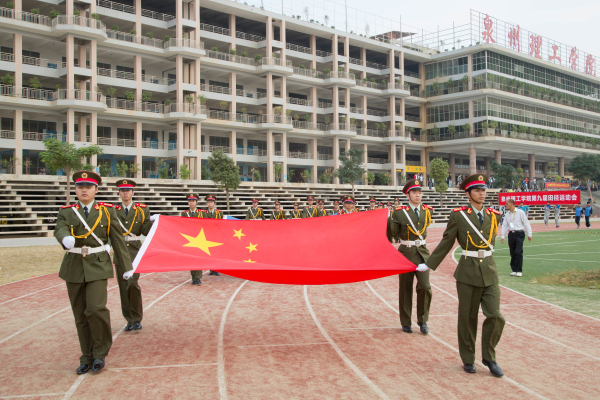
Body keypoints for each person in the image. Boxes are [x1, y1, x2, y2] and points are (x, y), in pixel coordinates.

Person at [417, 174, 505, 377]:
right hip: (467, 271)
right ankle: (468, 358)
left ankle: (489, 357)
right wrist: (429, 264)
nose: (482, 194)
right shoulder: (459, 216)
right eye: (477, 190)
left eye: (483, 190)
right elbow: (447, 241)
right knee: (467, 317)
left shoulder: (494, 215)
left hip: (489, 271)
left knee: (495, 315)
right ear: (468, 194)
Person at [54, 171, 133, 374]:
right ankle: (86, 356)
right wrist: (64, 238)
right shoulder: (67, 211)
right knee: (80, 314)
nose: (84, 190)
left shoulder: (107, 211)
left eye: (88, 187)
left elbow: (117, 240)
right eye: (80, 187)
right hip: (74, 266)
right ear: (75, 190)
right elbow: (59, 228)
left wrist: (126, 266)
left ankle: (99, 352)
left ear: (96, 189)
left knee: (96, 309)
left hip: (98, 265)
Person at [390, 179, 433, 334]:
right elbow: (393, 232)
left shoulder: (428, 211)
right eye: (414, 192)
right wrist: (387, 219)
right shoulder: (399, 212)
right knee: (405, 288)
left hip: (422, 253)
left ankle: (423, 320)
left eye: (419, 192)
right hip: (406, 253)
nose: (417, 195)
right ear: (408, 195)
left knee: (424, 287)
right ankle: (406, 321)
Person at [114, 179, 154, 331]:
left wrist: (152, 222)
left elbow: (144, 231)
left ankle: (137, 318)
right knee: (123, 286)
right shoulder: (113, 211)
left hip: (135, 251)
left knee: (132, 284)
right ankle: (129, 319)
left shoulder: (142, 210)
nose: (125, 193)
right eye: (122, 190)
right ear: (119, 193)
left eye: (128, 190)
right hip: (120, 250)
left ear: (133, 192)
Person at [501, 198, 532, 277]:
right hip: (511, 234)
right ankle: (514, 269)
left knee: (518, 251)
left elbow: (526, 223)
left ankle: (519, 270)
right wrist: (503, 236)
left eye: (507, 204)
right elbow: (505, 225)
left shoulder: (520, 212)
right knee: (512, 252)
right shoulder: (507, 214)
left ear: (512, 203)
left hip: (519, 233)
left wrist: (529, 234)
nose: (506, 205)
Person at [181, 194, 204, 284]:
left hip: (200, 238)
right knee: (191, 258)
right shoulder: (184, 213)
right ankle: (193, 277)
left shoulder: (202, 213)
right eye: (190, 201)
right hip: (189, 238)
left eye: (193, 201)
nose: (191, 203)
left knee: (198, 258)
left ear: (196, 202)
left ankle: (198, 277)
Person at [203, 194, 223, 276]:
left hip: (217, 235)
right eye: (208, 202)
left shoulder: (219, 212)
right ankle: (211, 269)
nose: (210, 204)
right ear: (207, 203)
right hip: (207, 235)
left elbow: (222, 223)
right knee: (210, 253)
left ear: (214, 203)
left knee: (217, 253)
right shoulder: (204, 213)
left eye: (211, 202)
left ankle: (217, 269)